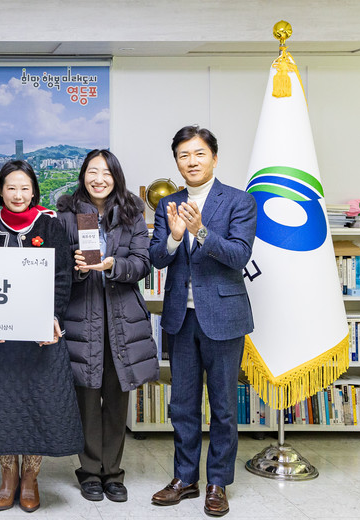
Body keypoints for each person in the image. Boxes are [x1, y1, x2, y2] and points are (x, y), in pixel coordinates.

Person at [149, 126, 256, 517]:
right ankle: (185, 478)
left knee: (224, 407)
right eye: (183, 155)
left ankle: (217, 483)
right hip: (181, 317)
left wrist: (201, 231)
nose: (191, 162)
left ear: (214, 157)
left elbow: (239, 255)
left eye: (198, 154)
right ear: (176, 161)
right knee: (182, 405)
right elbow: (157, 257)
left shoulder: (239, 201)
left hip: (224, 317)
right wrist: (176, 237)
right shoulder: (168, 203)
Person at [0, 159, 82, 513]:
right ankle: (8, 476)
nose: (18, 195)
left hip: (40, 337)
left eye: (24, 188)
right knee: (0, 406)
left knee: (38, 406)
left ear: (34, 192)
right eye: (11, 187)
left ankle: (31, 477)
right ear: (0, 191)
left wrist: (52, 318)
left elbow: (62, 277)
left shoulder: (50, 227)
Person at [56, 149, 159, 503]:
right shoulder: (67, 213)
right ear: (83, 175)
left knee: (116, 399)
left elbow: (143, 263)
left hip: (122, 319)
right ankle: (89, 472)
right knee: (86, 398)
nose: (99, 179)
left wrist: (114, 265)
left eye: (106, 173)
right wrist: (77, 268)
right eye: (92, 172)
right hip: (81, 317)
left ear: (116, 177)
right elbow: (56, 268)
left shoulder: (132, 213)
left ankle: (113, 473)